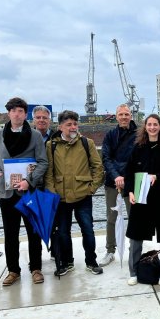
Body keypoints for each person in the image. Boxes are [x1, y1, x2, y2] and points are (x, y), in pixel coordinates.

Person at [0, 97, 49, 286]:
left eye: (20, 111)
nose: (17, 114)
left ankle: (36, 268)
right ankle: (13, 270)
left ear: (25, 114)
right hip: (7, 193)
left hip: (29, 193)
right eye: (13, 110)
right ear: (9, 113)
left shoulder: (35, 135)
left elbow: (43, 162)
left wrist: (28, 182)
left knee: (34, 233)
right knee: (10, 235)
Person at [124, 114, 160, 286]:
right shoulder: (137, 148)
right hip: (141, 199)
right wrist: (130, 192)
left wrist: (157, 176)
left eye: (155, 124)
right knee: (135, 237)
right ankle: (133, 271)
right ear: (145, 127)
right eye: (149, 124)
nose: (152, 127)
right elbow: (129, 172)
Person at [46, 110, 105, 277]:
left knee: (88, 230)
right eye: (69, 124)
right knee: (63, 232)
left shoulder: (87, 143)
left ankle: (91, 261)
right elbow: (48, 173)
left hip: (83, 195)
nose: (73, 127)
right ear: (60, 126)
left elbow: (98, 167)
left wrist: (92, 188)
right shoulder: (51, 145)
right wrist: (52, 193)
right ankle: (67, 262)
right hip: (61, 197)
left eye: (75, 124)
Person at [100, 104, 137, 267]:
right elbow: (106, 158)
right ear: (116, 116)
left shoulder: (138, 135)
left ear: (131, 116)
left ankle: (135, 249)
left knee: (135, 217)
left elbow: (137, 160)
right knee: (111, 218)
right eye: (121, 114)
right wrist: (116, 176)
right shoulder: (110, 135)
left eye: (126, 114)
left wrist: (125, 176)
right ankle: (110, 250)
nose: (124, 117)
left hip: (132, 182)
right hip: (112, 183)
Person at [31, 105, 59, 262]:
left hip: (52, 185)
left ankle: (56, 253)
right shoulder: (27, 137)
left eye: (45, 118)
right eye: (38, 117)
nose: (41, 120)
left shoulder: (57, 137)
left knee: (55, 222)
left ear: (50, 120)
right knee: (35, 224)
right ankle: (36, 258)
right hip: (33, 185)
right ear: (33, 119)